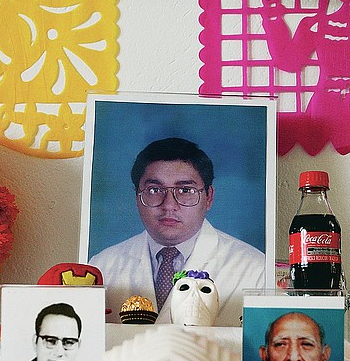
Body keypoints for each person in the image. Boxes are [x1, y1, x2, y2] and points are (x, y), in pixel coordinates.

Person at [89, 137, 266, 326]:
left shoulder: (255, 269)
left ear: (209, 197)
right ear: (137, 195)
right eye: (155, 190)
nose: (169, 205)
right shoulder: (102, 267)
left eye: (185, 190)